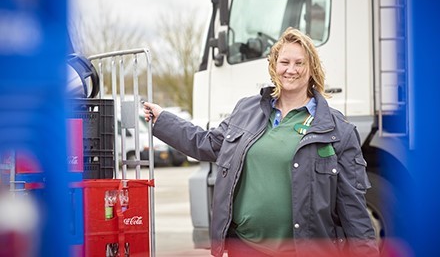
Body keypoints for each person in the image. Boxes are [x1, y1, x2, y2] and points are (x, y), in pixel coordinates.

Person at [143, 27, 380, 257]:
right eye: (284, 62)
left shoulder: (337, 130)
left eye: (300, 63)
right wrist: (162, 119)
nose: (291, 70)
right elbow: (206, 143)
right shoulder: (247, 110)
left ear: (312, 69)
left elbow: (353, 208)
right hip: (245, 247)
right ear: (274, 66)